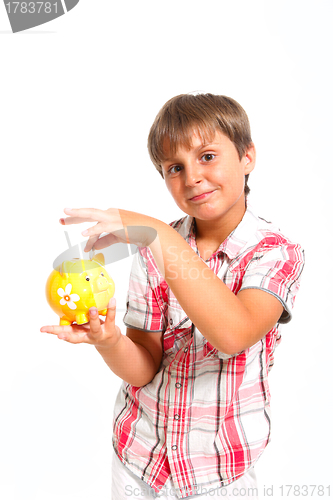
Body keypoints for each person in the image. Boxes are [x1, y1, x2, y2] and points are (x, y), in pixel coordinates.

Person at [41, 93, 305, 499]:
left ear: (248, 157)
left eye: (208, 156)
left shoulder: (276, 252)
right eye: (174, 168)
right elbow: (144, 368)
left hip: (220, 474)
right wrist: (109, 340)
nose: (192, 177)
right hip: (139, 461)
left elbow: (233, 335)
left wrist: (156, 233)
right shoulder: (155, 248)